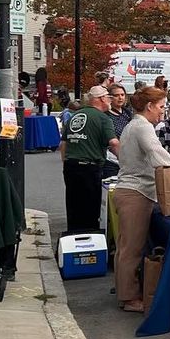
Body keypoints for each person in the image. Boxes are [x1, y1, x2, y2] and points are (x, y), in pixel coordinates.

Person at [112, 86, 170, 313]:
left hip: (129, 191)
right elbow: (156, 152)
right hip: (136, 193)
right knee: (132, 249)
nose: (163, 111)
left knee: (125, 247)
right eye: (161, 107)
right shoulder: (143, 127)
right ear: (149, 106)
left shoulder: (134, 126)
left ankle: (125, 293)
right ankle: (130, 298)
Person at [61, 85, 118, 235]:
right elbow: (113, 143)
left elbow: (63, 144)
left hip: (71, 166)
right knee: (90, 209)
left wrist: (65, 162)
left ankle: (72, 239)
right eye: (108, 98)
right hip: (90, 168)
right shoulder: (103, 118)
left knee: (73, 207)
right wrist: (126, 162)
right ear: (101, 99)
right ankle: (89, 243)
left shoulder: (75, 116)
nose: (110, 101)